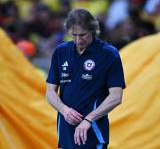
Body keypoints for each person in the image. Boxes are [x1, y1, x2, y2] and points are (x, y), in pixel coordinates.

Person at [46, 9, 126, 149]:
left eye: (83, 35)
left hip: (93, 132)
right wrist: (64, 110)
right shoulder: (61, 52)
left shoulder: (108, 54)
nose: (78, 40)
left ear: (93, 30)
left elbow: (116, 96)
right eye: (74, 35)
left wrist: (89, 119)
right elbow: (50, 92)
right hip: (65, 133)